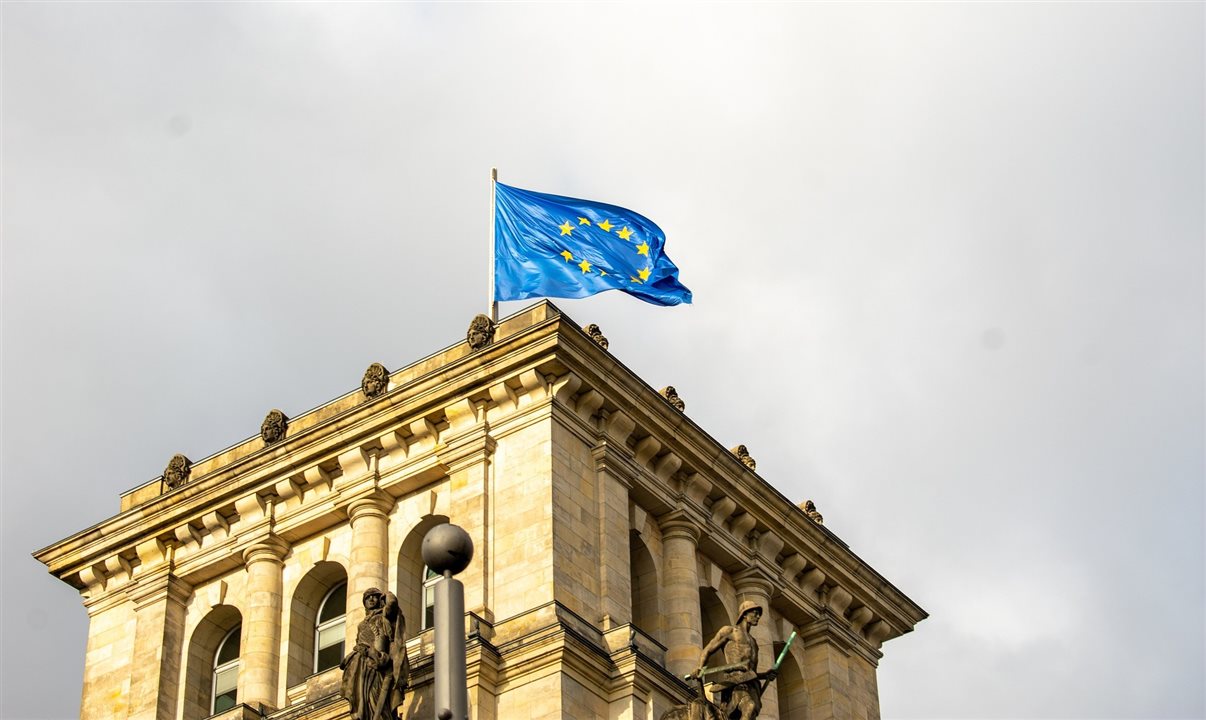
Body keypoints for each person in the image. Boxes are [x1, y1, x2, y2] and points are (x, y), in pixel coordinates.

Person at [696, 601, 777, 720]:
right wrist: (700, 667)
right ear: (744, 614)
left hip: (752, 685)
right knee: (749, 707)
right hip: (735, 682)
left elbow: (750, 671)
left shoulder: (754, 642)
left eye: (758, 614)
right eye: (755, 613)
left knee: (751, 712)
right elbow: (708, 650)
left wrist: (765, 675)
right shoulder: (730, 631)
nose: (758, 616)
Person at [340, 588, 408, 720]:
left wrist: (386, 594)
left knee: (376, 697)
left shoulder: (383, 615)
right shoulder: (361, 624)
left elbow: (392, 603)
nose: (371, 599)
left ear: (380, 600)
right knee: (363, 699)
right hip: (361, 664)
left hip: (378, 665)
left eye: (374, 596)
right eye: (367, 597)